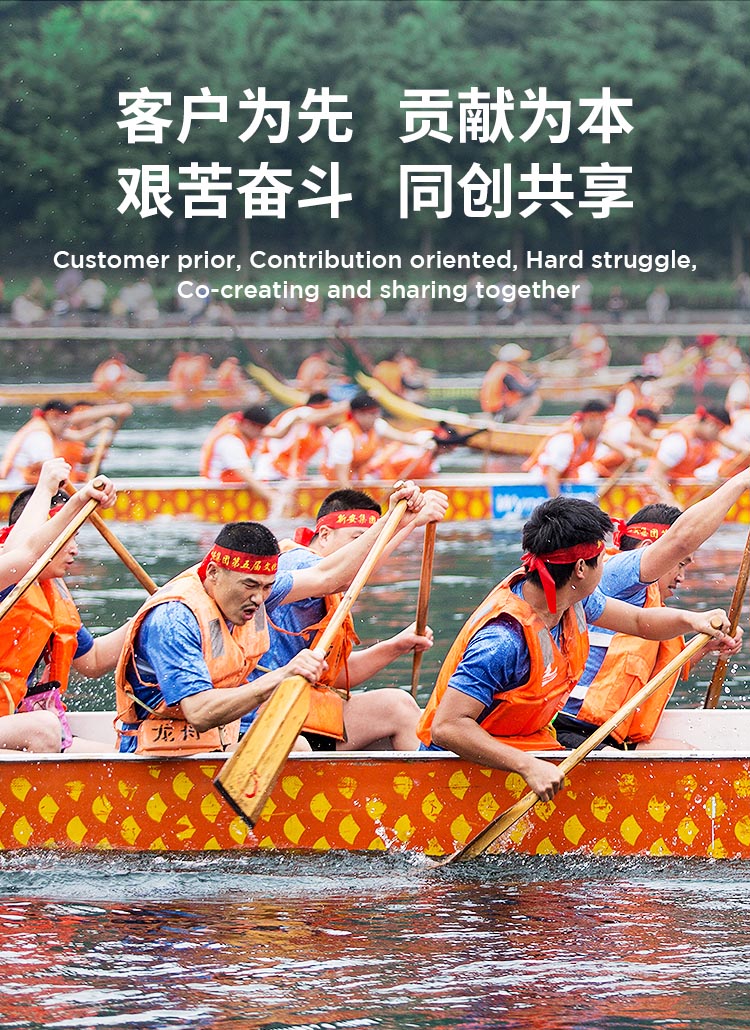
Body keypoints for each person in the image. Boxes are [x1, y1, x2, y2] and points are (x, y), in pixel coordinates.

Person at [416, 496, 733, 800]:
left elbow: (639, 621)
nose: (608, 564)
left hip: (524, 745)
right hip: (459, 772)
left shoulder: (573, 599)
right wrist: (527, 766)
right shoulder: (502, 640)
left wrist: (693, 620)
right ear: (581, 568)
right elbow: (447, 727)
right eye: (602, 558)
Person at [114, 481, 431, 755]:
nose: (258, 599)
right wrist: (402, 524)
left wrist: (397, 522)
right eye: (250, 586)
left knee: (397, 705)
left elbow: (329, 579)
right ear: (213, 573)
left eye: (266, 588)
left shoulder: (260, 589)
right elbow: (199, 712)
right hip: (168, 747)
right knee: (296, 747)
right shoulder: (176, 618)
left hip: (241, 724)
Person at [554, 471, 750, 749]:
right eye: (680, 563)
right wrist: (741, 483)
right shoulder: (614, 572)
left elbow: (657, 671)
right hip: (569, 730)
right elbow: (682, 540)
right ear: (649, 548)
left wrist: (705, 646)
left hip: (602, 734)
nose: (681, 577)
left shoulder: (649, 601)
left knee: (688, 752)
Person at [243, 486, 448, 751]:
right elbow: (341, 576)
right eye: (359, 539)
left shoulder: (331, 590)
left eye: (371, 540)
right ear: (324, 535)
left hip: (302, 708)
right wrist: (407, 523)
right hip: (260, 717)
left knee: (398, 706)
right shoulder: (298, 562)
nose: (365, 548)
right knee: (398, 707)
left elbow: (335, 676)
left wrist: (397, 646)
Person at [0, 466, 122, 753]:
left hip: (11, 718)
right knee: (44, 727)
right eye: (68, 537)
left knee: (118, 750)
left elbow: (92, 661)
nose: (75, 549)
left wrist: (155, 607)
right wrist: (52, 489)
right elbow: (25, 554)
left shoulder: (50, 594)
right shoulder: (9, 579)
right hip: (28, 725)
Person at [320, 392, 436, 485]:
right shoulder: (344, 437)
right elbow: (342, 480)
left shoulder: (377, 425)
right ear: (357, 414)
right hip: (335, 483)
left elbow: (402, 437)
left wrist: (425, 442)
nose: (376, 417)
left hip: (357, 479)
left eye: (377, 413)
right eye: (371, 414)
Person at [522, 399, 621, 496]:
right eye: (602, 423)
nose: (603, 427)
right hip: (542, 485)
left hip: (562, 481)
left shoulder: (591, 436)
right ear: (590, 419)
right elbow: (551, 476)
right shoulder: (565, 440)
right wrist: (559, 504)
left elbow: (616, 446)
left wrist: (627, 454)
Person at [646, 405, 733, 502]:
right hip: (661, 496)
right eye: (718, 430)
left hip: (682, 494)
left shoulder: (705, 441)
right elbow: (656, 473)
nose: (718, 435)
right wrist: (669, 500)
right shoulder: (678, 440)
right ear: (710, 423)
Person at [254, 393, 349, 480]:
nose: (330, 417)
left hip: (292, 476)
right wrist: (337, 409)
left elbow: (333, 458)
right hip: (270, 471)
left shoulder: (325, 432)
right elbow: (310, 417)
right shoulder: (302, 412)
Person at [199, 405, 276, 504]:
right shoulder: (230, 441)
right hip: (217, 493)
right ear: (247, 424)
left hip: (227, 485)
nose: (262, 433)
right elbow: (248, 477)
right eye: (261, 429)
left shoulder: (239, 425)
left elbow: (277, 433)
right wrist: (274, 498)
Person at [0, 400, 72, 487]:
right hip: (20, 486)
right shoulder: (40, 436)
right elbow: (49, 465)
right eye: (65, 424)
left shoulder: (43, 428)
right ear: (52, 417)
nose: (66, 429)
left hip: (23, 484)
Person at [479, 343, 540, 423]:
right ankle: (520, 424)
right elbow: (524, 391)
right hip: (501, 413)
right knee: (533, 398)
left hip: (496, 412)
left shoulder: (499, 368)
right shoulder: (507, 374)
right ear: (513, 360)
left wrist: (533, 379)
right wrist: (538, 381)